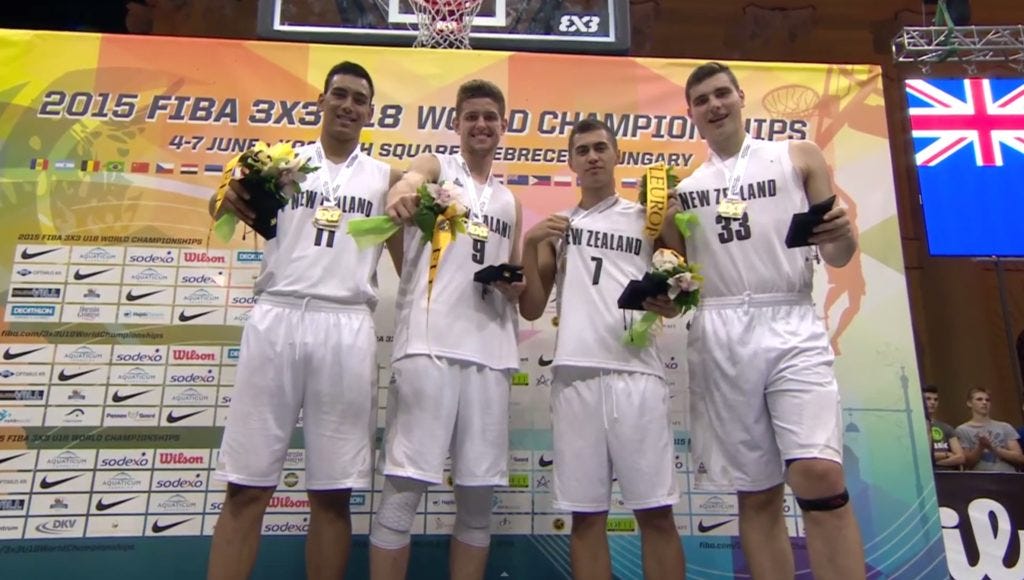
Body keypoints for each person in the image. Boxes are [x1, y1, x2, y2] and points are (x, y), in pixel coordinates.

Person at [207, 61, 402, 580]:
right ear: (321, 101)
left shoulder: (385, 178)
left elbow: (428, 180)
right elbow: (223, 205)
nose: (348, 105)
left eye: (359, 99)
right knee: (246, 485)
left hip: (345, 325)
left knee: (333, 492)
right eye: (339, 94)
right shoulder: (281, 162)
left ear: (370, 112)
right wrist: (223, 198)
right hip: (278, 316)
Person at [675, 61, 865, 578]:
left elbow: (841, 255)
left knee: (819, 473)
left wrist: (844, 231)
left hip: (790, 319)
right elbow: (673, 275)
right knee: (756, 492)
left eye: (721, 94)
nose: (714, 105)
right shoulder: (682, 191)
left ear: (740, 97)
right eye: (702, 100)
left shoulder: (797, 156)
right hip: (720, 329)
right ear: (690, 113)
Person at [518, 118, 686, 579]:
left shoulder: (647, 218)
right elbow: (532, 307)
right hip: (575, 378)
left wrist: (668, 305)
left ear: (616, 156)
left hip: (637, 375)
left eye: (600, 148)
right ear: (570, 162)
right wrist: (529, 244)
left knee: (655, 512)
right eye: (582, 150)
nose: (592, 156)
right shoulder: (557, 227)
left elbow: (680, 299)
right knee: (585, 516)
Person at [370, 79, 523, 580]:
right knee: (403, 493)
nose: (482, 124)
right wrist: (404, 189)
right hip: (429, 348)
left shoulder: (509, 201)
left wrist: (514, 288)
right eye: (472, 115)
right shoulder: (439, 167)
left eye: (491, 117)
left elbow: (515, 270)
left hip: (491, 353)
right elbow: (411, 178)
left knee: (478, 501)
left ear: (504, 126)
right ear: (457, 123)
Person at [956, 387, 1024, 472]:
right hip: (980, 481)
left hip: (1008, 478)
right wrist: (980, 447)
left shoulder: (1005, 427)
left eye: (987, 400)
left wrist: (994, 449)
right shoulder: (962, 430)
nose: (984, 402)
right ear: (969, 403)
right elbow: (966, 463)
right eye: (979, 399)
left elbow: (1020, 458)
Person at [922, 385, 965, 471]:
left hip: (947, 475)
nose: (933, 402)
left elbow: (961, 457)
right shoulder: (914, 428)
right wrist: (946, 454)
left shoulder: (946, 427)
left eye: (935, 399)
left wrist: (935, 463)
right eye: (928, 399)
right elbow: (922, 458)